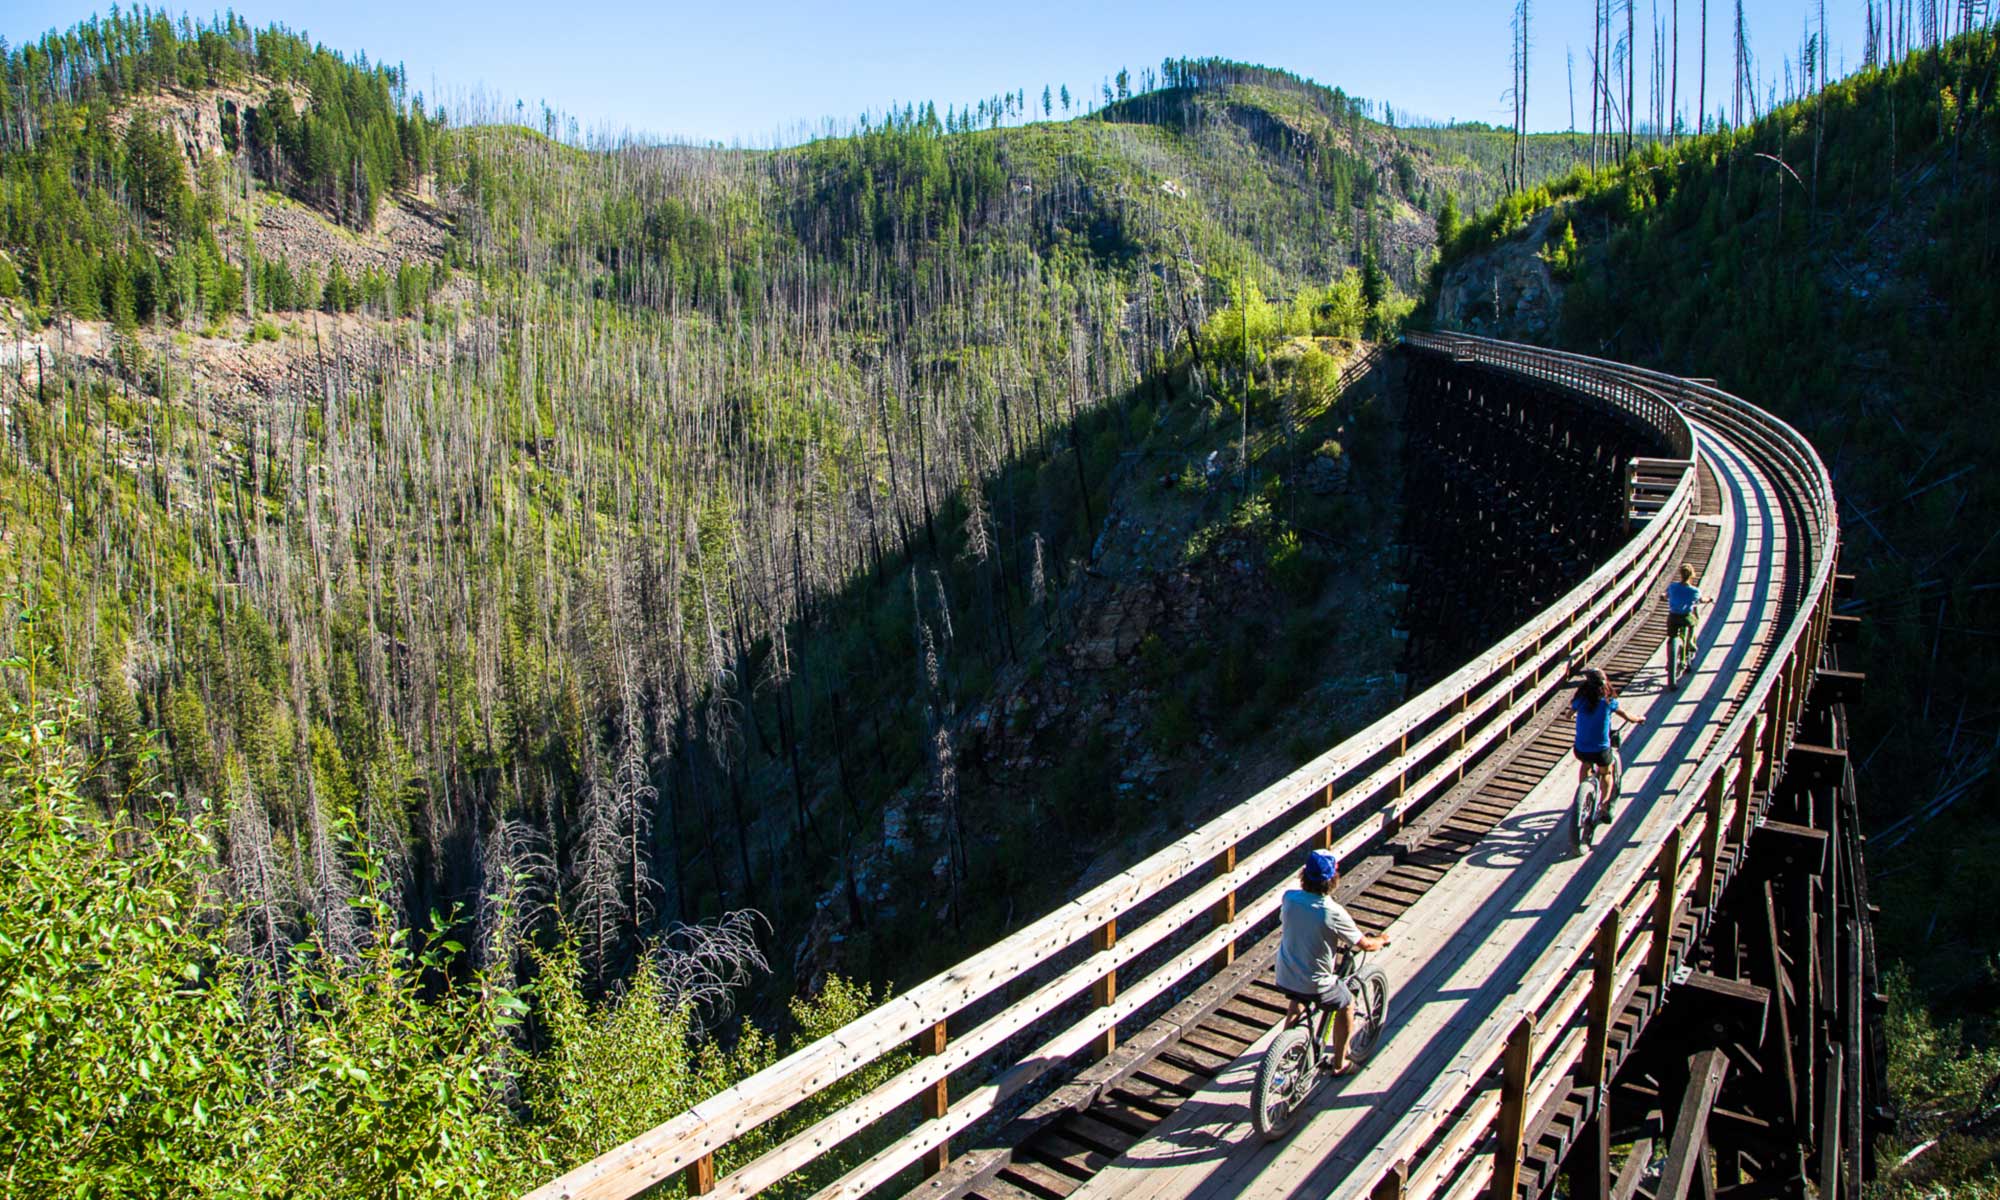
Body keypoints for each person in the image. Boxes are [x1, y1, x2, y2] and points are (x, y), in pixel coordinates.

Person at [1275, 849, 1391, 1074]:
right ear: (1333, 879)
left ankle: (1281, 1055)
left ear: (1304, 876)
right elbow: (1365, 945)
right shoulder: (1333, 912)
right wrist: (1382, 940)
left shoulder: (1289, 899)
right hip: (1315, 983)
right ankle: (1340, 1064)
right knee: (1347, 1003)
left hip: (1286, 975)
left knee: (1298, 999)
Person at [1572, 666, 1641, 819]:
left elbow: (1569, 714)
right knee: (1606, 772)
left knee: (1586, 763)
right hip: (1601, 749)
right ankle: (1604, 805)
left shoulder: (1580, 700)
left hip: (1581, 748)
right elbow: (1627, 716)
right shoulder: (1609, 702)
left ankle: (1582, 795)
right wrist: (1638, 719)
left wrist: (1570, 715)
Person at [1664, 564, 1704, 685]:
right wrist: (1709, 599)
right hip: (1685, 617)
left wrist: (1664, 597)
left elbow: (1665, 595)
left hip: (1673, 617)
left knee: (1671, 638)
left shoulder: (1672, 586)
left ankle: (1669, 661)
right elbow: (1700, 600)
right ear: (1692, 575)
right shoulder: (1694, 591)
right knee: (1694, 622)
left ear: (1680, 574)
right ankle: (1691, 641)